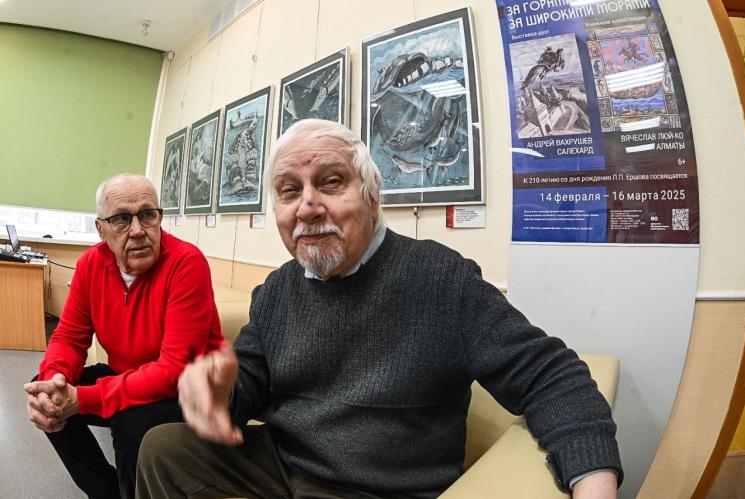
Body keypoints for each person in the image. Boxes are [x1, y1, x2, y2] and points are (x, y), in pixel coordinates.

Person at [136, 120, 623, 498]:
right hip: (286, 461)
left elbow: (552, 378)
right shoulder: (278, 289)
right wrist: (219, 390)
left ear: (372, 196)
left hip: (378, 486)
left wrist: (592, 479)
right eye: (289, 191)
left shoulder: (442, 279)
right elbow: (250, 383)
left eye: (330, 182)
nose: (307, 206)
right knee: (162, 448)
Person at [24, 174, 225, 499]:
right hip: (127, 375)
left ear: (159, 217)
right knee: (51, 400)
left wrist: (86, 399)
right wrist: (54, 381)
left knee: (132, 422)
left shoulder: (187, 263)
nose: (138, 230)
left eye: (147, 215)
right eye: (121, 218)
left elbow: (173, 369)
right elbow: (70, 337)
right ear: (100, 229)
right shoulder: (91, 264)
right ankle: (106, 492)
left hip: (190, 390)